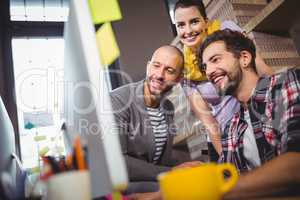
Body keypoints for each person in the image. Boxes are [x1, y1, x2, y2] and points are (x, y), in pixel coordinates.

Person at [199, 29, 300, 199]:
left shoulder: (285, 84)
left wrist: (218, 190)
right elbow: (226, 176)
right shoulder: (231, 128)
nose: (209, 72)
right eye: (205, 67)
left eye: (215, 60)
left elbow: (296, 163)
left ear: (244, 58)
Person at [173, 0, 273, 161]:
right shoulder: (183, 67)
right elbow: (208, 120)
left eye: (194, 21)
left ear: (206, 22)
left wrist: (283, 96)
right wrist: (228, 158)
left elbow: (262, 69)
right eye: (181, 25)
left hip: (257, 115)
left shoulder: (226, 31)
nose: (188, 30)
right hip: (225, 136)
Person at [110, 45, 200, 193]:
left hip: (151, 182)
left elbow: (157, 160)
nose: (159, 75)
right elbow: (118, 163)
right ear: (148, 66)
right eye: (156, 66)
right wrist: (172, 171)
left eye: (169, 70)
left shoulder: (168, 107)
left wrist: (187, 168)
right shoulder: (117, 101)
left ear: (178, 79)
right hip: (123, 186)